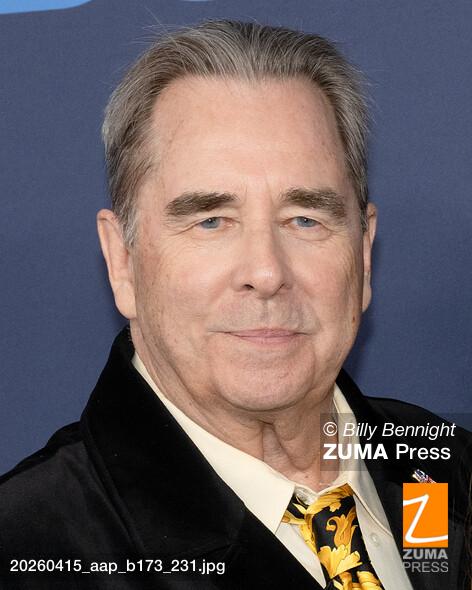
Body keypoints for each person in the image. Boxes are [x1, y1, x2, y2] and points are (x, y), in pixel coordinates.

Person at [0, 20, 470, 590]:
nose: (266, 273)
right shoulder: (28, 550)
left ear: (364, 256)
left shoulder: (444, 467)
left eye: (305, 219)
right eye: (211, 221)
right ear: (122, 260)